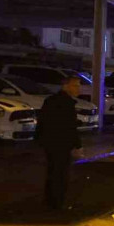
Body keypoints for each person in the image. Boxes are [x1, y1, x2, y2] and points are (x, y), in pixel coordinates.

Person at [34, 76, 84, 210]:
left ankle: (50, 200)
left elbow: (42, 121)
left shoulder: (50, 100)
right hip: (61, 142)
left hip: (50, 141)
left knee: (52, 170)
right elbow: (70, 126)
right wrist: (77, 145)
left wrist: (39, 139)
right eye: (75, 86)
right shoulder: (66, 103)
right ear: (66, 86)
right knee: (60, 172)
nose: (78, 89)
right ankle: (57, 202)